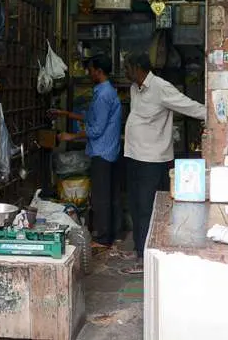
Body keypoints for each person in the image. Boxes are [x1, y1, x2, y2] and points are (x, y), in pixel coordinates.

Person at [122, 52, 206, 273]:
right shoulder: (134, 88)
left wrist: (214, 115)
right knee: (136, 205)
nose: (124, 72)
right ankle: (140, 249)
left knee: (148, 208)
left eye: (127, 67)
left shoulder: (160, 87)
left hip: (153, 160)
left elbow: (187, 106)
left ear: (137, 67)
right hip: (134, 156)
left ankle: (145, 256)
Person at [52, 55, 122, 248]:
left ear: (99, 71)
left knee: (101, 197)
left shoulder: (103, 94)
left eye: (90, 70)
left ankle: (103, 238)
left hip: (102, 152)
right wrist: (65, 114)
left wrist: (71, 137)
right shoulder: (105, 91)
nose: (88, 73)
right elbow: (89, 117)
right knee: (108, 195)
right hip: (108, 150)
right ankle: (112, 234)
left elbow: (96, 129)